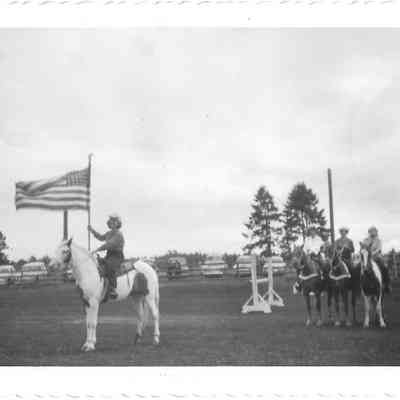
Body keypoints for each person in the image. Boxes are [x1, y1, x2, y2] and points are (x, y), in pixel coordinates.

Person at [88, 213, 125, 299]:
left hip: (117, 256)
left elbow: (109, 244)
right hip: (109, 255)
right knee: (98, 264)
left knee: (110, 266)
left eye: (115, 221)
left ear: (118, 223)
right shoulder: (109, 233)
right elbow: (101, 237)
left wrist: (97, 249)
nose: (112, 223)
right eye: (111, 221)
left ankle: (113, 289)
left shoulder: (119, 234)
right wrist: (92, 230)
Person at [362, 226, 390, 293]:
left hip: (376, 257)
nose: (372, 232)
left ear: (376, 232)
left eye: (374, 231)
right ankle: (359, 284)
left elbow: (379, 249)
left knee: (384, 267)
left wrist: (371, 253)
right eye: (371, 231)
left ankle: (387, 284)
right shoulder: (365, 240)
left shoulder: (378, 240)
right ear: (369, 232)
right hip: (367, 257)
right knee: (358, 267)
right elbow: (363, 248)